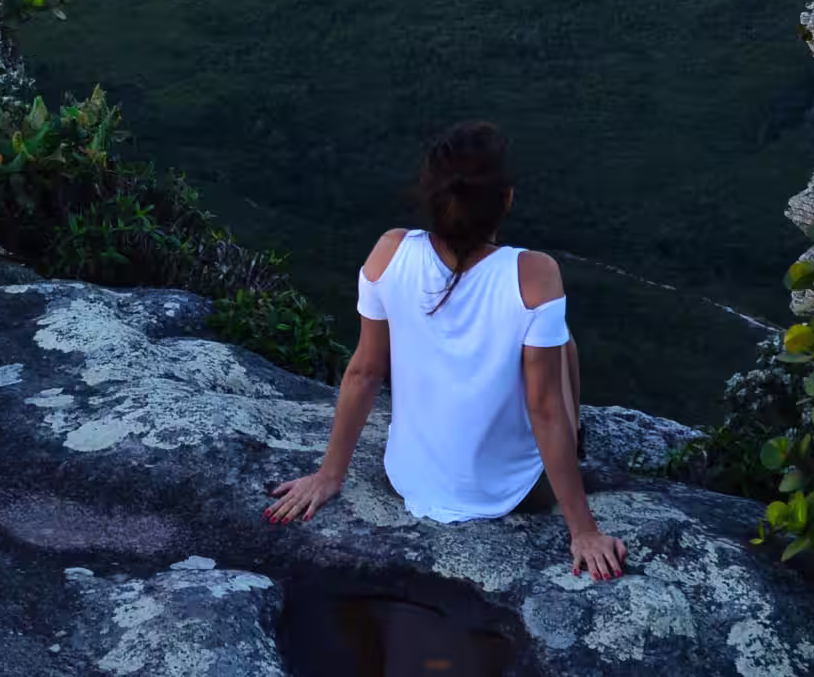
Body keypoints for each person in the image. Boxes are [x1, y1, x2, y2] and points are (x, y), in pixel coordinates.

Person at [263, 121, 628, 581]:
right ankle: (575, 446)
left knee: (549, 336)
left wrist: (328, 475)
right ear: (507, 199)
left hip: (408, 477)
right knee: (561, 341)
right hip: (510, 492)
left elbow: (364, 372)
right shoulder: (535, 274)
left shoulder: (388, 252)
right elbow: (545, 409)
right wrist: (584, 531)